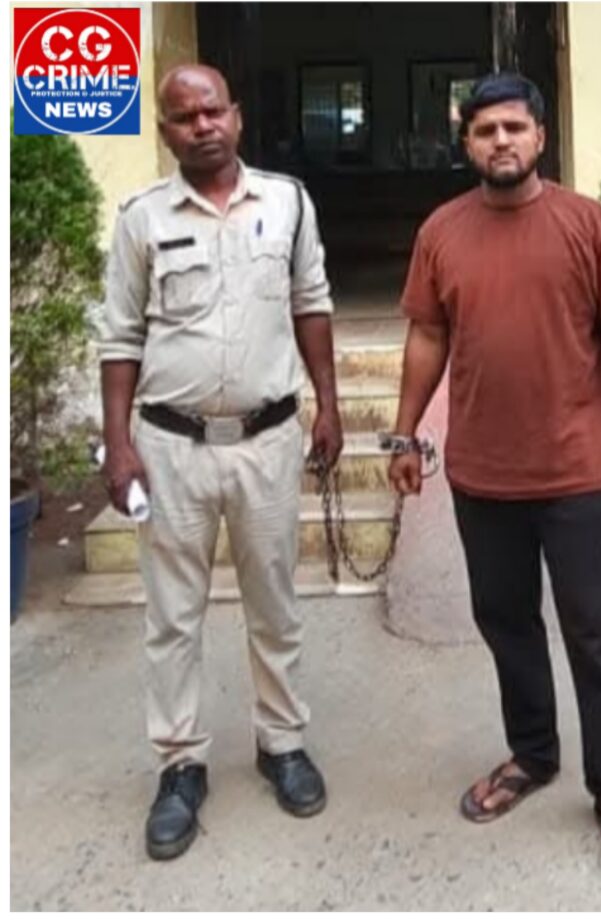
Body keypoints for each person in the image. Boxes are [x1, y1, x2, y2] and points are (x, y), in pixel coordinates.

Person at [389, 73, 601, 876]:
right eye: (485, 130)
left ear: (540, 137)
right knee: (506, 622)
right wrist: (405, 433)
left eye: (514, 127)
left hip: (578, 471)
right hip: (483, 475)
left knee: (598, 630)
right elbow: (427, 337)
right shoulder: (442, 232)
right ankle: (533, 753)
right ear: (466, 144)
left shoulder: (588, 224)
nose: (501, 141)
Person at [99, 64, 342, 860]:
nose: (201, 125)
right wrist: (119, 444)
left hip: (267, 442)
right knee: (173, 616)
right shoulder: (140, 218)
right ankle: (180, 765)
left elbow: (311, 303)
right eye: (183, 116)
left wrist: (329, 404)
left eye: (212, 111)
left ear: (236, 116)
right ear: (165, 131)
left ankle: (282, 743)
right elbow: (119, 337)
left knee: (275, 604)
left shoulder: (288, 202)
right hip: (171, 448)